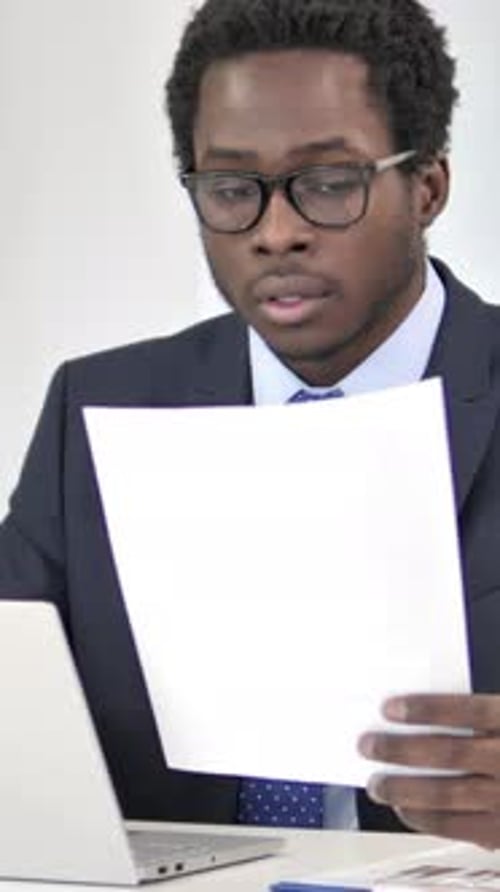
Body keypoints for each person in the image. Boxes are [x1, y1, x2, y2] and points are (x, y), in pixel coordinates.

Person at [1, 0, 500, 849]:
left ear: (429, 187)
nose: (276, 233)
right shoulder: (100, 405)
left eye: (330, 184)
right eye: (233, 190)